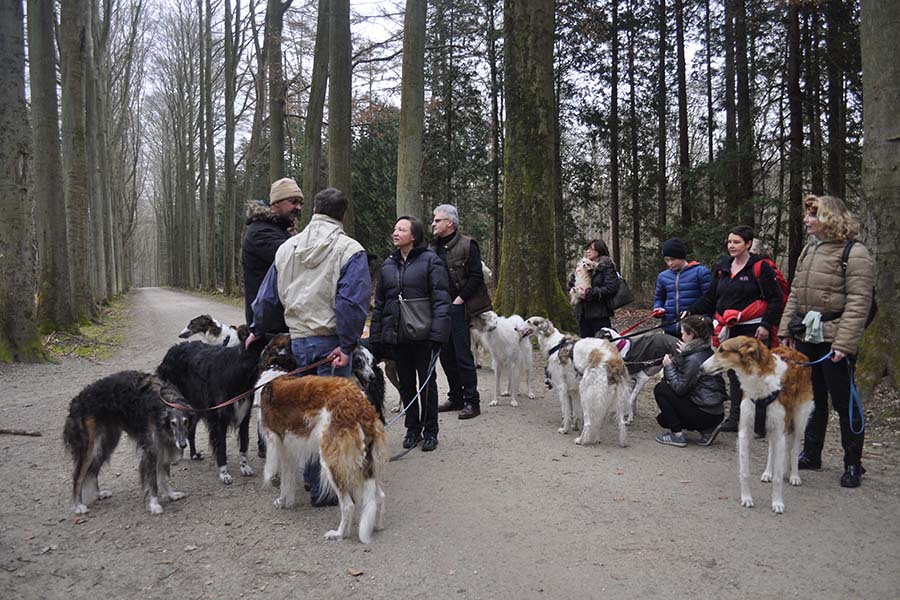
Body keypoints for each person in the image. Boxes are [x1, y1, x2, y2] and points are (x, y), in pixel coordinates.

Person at [246, 187, 371, 506]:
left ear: (314, 210)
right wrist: (348, 344)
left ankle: (313, 480)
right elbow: (352, 302)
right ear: (343, 215)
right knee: (333, 418)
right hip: (332, 345)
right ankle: (329, 488)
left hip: (298, 344)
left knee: (305, 415)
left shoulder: (287, 248)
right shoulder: (350, 249)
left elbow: (267, 298)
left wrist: (257, 328)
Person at [778, 195, 874, 488]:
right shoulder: (809, 249)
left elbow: (859, 302)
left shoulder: (855, 253)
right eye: (807, 215)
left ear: (829, 218)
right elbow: (795, 292)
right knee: (812, 398)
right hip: (807, 336)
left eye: (812, 215)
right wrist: (786, 330)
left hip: (834, 339)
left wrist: (843, 344)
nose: (806, 220)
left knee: (844, 402)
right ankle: (812, 453)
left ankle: (853, 463)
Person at [685, 225, 783, 433]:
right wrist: (691, 310)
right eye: (729, 241)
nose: (731, 245)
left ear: (748, 244)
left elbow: (776, 299)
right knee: (734, 374)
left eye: (736, 242)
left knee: (757, 374)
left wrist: (766, 324)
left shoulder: (760, 267)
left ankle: (760, 422)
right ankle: (736, 418)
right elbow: (712, 297)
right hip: (729, 330)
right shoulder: (723, 266)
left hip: (754, 330)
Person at [370, 216, 451, 452]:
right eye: (395, 228)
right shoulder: (388, 265)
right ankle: (412, 428)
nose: (395, 233)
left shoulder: (431, 261)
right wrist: (377, 335)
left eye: (401, 229)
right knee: (405, 384)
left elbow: (441, 299)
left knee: (427, 384)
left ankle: (430, 430)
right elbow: (380, 303)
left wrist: (438, 333)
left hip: (423, 336)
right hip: (398, 336)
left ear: (413, 236)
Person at [241, 178, 302, 458]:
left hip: (280, 319)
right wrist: (294, 237)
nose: (297, 208)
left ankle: (281, 441)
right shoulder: (260, 233)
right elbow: (293, 257)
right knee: (270, 386)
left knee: (285, 383)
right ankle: (267, 445)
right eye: (293, 202)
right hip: (267, 324)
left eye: (300, 203)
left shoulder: (275, 230)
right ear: (276, 203)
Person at [431, 204, 492, 420]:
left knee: (463, 355)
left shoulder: (468, 244)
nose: (433, 224)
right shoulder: (432, 247)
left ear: (450, 222)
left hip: (460, 307)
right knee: (446, 355)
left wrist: (458, 300)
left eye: (437, 220)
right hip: (439, 308)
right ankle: (455, 397)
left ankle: (472, 401)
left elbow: (476, 276)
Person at [653, 315, 726, 447]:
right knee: (662, 419)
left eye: (683, 333)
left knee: (661, 389)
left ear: (691, 334)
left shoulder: (693, 359)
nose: (681, 337)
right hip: (716, 412)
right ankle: (707, 431)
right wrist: (682, 355)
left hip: (704, 413)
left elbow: (679, 388)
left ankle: (677, 436)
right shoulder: (708, 352)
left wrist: (668, 366)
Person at [651, 238, 713, 336]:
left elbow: (708, 300)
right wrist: (658, 308)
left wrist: (704, 320)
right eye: (667, 260)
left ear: (682, 257)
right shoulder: (663, 276)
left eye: (673, 259)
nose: (670, 263)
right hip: (670, 329)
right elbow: (659, 298)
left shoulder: (701, 272)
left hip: (694, 329)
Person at [569, 239, 619, 338]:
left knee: (602, 343)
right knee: (585, 343)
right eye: (587, 249)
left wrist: (589, 293)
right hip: (582, 312)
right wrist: (575, 279)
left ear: (599, 250)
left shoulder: (606, 265)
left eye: (591, 249)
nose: (588, 251)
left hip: (599, 312)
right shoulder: (582, 265)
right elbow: (571, 285)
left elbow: (611, 288)